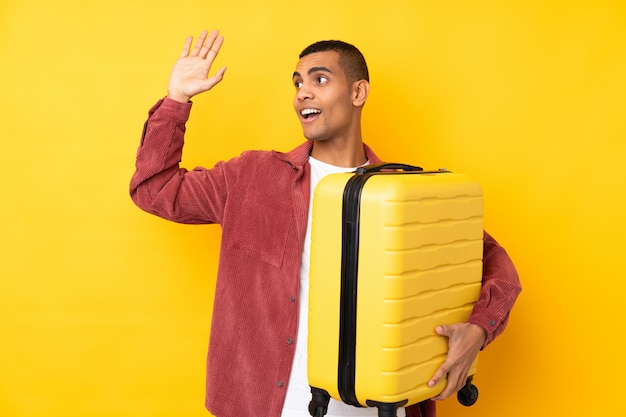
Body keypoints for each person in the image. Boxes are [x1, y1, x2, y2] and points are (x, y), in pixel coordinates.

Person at [130, 29, 521, 417]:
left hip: (382, 407)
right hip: (268, 406)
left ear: (357, 93)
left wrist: (480, 328)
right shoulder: (251, 176)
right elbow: (155, 189)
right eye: (297, 82)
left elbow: (497, 266)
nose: (302, 92)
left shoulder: (405, 194)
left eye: (319, 79)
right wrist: (176, 99)